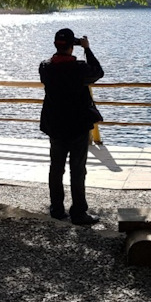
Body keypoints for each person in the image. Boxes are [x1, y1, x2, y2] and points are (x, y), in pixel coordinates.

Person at [38, 28, 103, 225]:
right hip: (77, 124)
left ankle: (56, 208)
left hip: (55, 124)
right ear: (72, 46)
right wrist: (87, 49)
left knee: (56, 168)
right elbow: (98, 72)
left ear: (56, 44)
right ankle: (79, 212)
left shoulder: (45, 67)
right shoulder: (79, 68)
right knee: (78, 169)